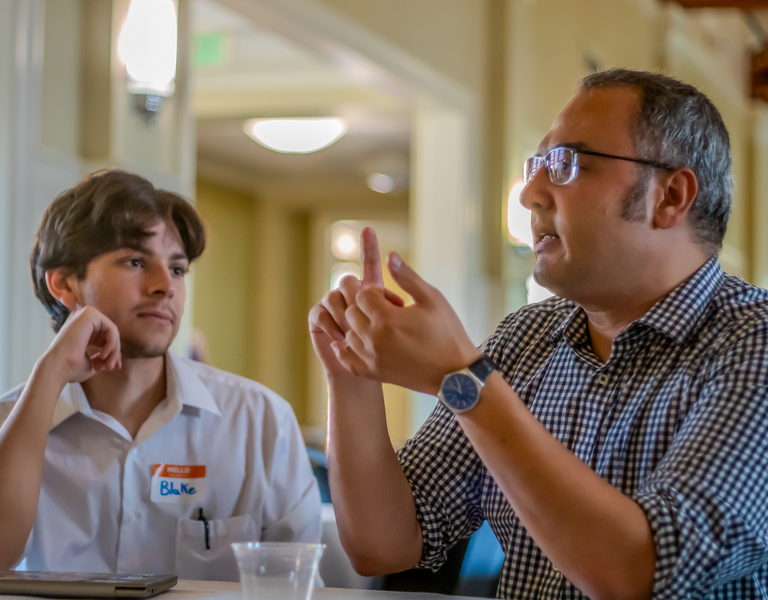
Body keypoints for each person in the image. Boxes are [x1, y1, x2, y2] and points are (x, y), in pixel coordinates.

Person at [309, 69, 768, 599]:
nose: (530, 193)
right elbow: (384, 545)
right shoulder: (526, 338)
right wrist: (352, 375)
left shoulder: (749, 344)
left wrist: (465, 379)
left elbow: (638, 573)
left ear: (669, 196)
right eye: (538, 165)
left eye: (567, 164)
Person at [0, 169, 321, 580]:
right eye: (135, 262)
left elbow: (297, 584)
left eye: (176, 269)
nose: (164, 287)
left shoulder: (259, 421)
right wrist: (50, 374)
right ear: (65, 284)